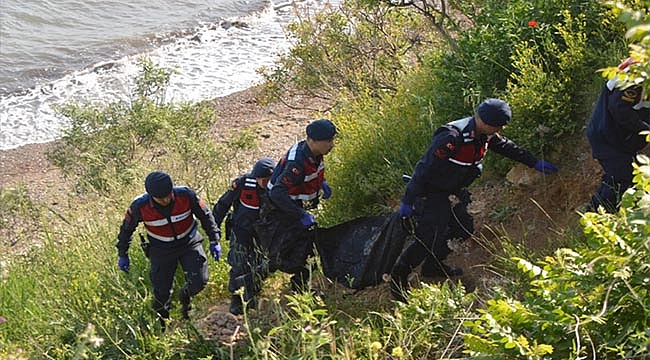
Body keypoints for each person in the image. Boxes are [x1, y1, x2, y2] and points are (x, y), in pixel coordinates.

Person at [391, 98, 559, 302]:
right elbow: (423, 169)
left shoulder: (484, 135)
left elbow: (507, 147)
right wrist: (408, 200)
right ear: (486, 122)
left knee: (463, 228)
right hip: (430, 192)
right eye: (498, 126)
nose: (501, 129)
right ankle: (398, 278)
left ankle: (433, 266)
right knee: (428, 236)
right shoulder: (452, 136)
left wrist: (534, 162)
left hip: (452, 190)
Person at [116, 171, 222, 325]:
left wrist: (214, 239)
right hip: (161, 249)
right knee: (161, 292)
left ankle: (185, 299)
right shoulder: (140, 206)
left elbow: (206, 216)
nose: (166, 199)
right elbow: (126, 230)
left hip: (189, 243)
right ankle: (162, 322)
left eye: (168, 194)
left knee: (199, 281)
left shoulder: (186, 195)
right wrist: (123, 254)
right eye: (161, 198)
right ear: (151, 196)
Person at [258, 118, 336, 294]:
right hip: (279, 212)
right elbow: (277, 193)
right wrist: (301, 214)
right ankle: (248, 283)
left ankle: (301, 288)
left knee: (308, 251)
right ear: (313, 140)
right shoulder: (297, 162)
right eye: (328, 141)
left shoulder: (315, 153)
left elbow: (310, 174)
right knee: (282, 257)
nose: (332, 145)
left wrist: (321, 183)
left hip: (293, 208)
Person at [212, 157, 275, 315]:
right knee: (238, 265)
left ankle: (252, 296)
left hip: (263, 236)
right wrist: (213, 231)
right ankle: (236, 300)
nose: (264, 183)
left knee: (259, 265)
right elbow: (222, 206)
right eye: (261, 179)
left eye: (268, 179)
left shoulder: (278, 187)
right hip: (241, 231)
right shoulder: (242, 184)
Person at [586, 58, 650, 213]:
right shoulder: (637, 74)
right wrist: (646, 130)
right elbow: (619, 108)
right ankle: (600, 217)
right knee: (623, 177)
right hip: (607, 136)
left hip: (619, 138)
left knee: (618, 176)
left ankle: (594, 212)